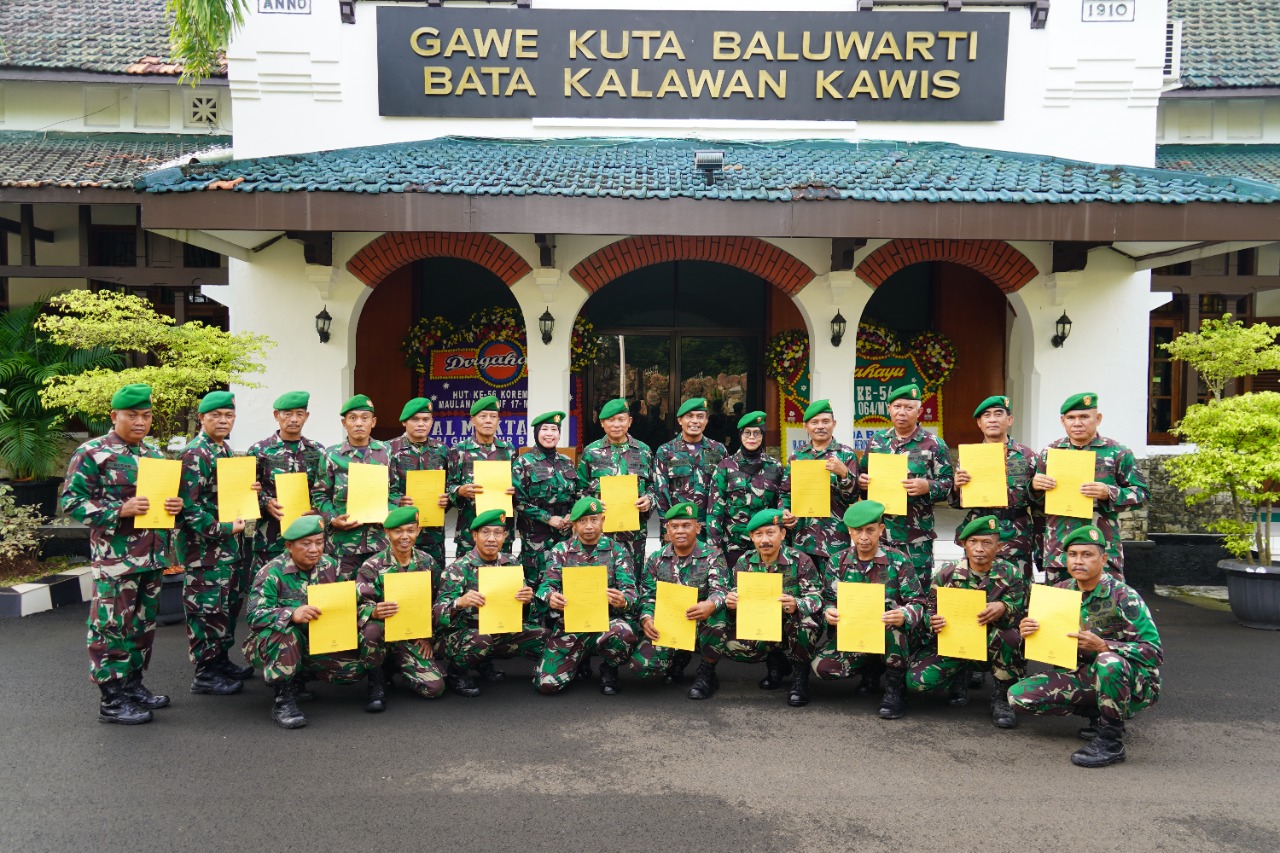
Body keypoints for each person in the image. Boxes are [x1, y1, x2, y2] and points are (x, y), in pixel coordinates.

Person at [60, 383, 183, 724]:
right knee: (111, 626)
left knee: (142, 626)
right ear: (114, 416)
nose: (140, 422)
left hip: (152, 557)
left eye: (146, 415)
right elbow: (72, 502)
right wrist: (119, 510)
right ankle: (112, 699)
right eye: (132, 415)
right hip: (116, 560)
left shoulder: (155, 456)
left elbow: (166, 506)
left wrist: (175, 507)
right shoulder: (92, 452)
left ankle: (132, 684)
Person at [1011, 525, 1162, 767]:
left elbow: (1153, 652)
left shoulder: (1124, 596)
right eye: (1073, 554)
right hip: (1084, 674)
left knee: (1108, 662)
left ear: (1103, 559)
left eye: (1087, 555)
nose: (1078, 561)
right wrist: (1028, 633)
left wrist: (1105, 646)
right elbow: (1047, 645)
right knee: (1019, 697)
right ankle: (1099, 713)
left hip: (1134, 682)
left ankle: (1111, 741)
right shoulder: (1059, 593)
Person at [243, 516, 382, 729]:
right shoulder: (271, 572)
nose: (314, 549)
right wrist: (291, 614)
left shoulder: (331, 565)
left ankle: (300, 676)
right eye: (306, 544)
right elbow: (254, 616)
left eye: (319, 542)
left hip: (317, 639)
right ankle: (283, 700)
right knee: (287, 635)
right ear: (289, 546)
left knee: (353, 671)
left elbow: (346, 602)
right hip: (270, 643)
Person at [906, 515, 1028, 728]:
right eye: (973, 542)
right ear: (964, 544)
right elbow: (929, 610)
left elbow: (1022, 617)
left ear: (999, 546)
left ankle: (1002, 696)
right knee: (917, 682)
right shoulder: (946, 574)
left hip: (990, 645)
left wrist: (1004, 607)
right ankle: (958, 675)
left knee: (1010, 637)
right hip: (954, 642)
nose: (979, 549)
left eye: (987, 543)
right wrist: (932, 621)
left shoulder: (1011, 574)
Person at [811, 501, 925, 720]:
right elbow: (827, 599)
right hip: (855, 633)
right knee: (822, 667)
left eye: (870, 530)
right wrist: (829, 612)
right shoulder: (837, 561)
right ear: (849, 531)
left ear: (881, 530)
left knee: (893, 628)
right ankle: (870, 667)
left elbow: (918, 602)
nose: (864, 537)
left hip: (890, 634)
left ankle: (895, 689)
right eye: (858, 530)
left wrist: (904, 615)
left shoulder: (898, 560)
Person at [179, 390, 257, 696]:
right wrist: (224, 529)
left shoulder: (223, 450)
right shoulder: (195, 454)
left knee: (226, 608)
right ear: (202, 418)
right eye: (216, 415)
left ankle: (220, 661)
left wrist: (248, 491)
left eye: (229, 415)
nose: (223, 421)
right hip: (205, 552)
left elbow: (224, 496)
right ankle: (205, 672)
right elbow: (189, 509)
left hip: (228, 550)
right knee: (206, 609)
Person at [704, 509, 823, 707]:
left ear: (782, 534)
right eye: (758, 534)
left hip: (790, 624)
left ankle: (800, 676)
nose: (765, 540)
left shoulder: (800, 560)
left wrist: (797, 604)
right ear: (751, 537)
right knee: (731, 646)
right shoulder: (745, 562)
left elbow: (816, 597)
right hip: (761, 624)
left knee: (806, 624)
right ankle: (777, 661)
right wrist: (732, 602)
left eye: (770, 533)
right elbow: (734, 591)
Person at [1032, 393, 1150, 583]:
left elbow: (1142, 495)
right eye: (1071, 418)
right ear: (1063, 421)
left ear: (1098, 419)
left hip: (1101, 548)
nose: (1077, 423)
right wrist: (1035, 488)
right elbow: (1038, 506)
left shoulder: (1118, 453)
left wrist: (1109, 493)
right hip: (1060, 550)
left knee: (1103, 599)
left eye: (1084, 417)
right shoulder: (1050, 453)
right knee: (1060, 600)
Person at [433, 510, 545, 697]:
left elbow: (525, 612)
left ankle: (484, 663)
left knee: (545, 637)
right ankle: (456, 673)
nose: (492, 538)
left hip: (500, 630)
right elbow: (436, 614)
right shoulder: (458, 569)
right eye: (485, 532)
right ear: (474, 535)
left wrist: (527, 601)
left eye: (497, 533)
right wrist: (459, 602)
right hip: (464, 636)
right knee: (481, 640)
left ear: (505, 536)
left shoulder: (511, 563)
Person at [534, 497, 638, 696]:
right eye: (582, 521)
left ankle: (609, 668)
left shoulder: (617, 551)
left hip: (606, 623)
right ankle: (578, 660)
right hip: (571, 624)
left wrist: (623, 600)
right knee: (546, 684)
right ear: (574, 524)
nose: (589, 526)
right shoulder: (561, 551)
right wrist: (551, 597)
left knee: (624, 633)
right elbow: (546, 585)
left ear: (603, 520)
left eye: (594, 520)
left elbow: (631, 592)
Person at [859, 383, 953, 590]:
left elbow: (948, 484)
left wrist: (927, 486)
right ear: (889, 409)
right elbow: (862, 475)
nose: (902, 412)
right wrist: (862, 482)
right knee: (879, 589)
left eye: (909, 408)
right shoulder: (876, 442)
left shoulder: (934, 444)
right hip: (879, 534)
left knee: (916, 589)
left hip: (916, 537)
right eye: (897, 406)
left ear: (919, 412)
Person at [630, 502, 729, 697]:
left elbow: (720, 590)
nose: (680, 531)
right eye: (674, 526)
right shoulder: (656, 558)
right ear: (667, 529)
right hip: (670, 625)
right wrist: (646, 618)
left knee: (718, 618)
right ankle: (678, 658)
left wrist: (710, 604)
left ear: (697, 528)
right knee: (640, 666)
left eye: (686, 525)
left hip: (700, 621)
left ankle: (707, 672)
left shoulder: (713, 555)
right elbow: (648, 596)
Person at [356, 506, 445, 707]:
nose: (405, 536)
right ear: (387, 532)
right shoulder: (372, 566)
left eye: (410, 530)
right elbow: (357, 606)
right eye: (398, 531)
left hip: (412, 636)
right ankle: (376, 680)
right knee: (371, 630)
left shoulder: (427, 563)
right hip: (383, 634)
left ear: (418, 531)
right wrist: (373, 611)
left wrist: (427, 636)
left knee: (434, 688)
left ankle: (401, 666)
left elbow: (438, 602)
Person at [948, 395, 1039, 578]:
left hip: (1016, 535)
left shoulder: (1027, 456)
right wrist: (957, 487)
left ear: (1010, 419)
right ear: (979, 423)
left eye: (998, 414)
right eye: (987, 415)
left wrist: (1036, 490)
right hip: (979, 535)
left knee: (1017, 587)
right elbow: (956, 502)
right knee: (977, 585)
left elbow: (1039, 502)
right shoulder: (970, 456)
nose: (992, 419)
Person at [312, 394, 395, 579]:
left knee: (379, 591)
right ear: (344, 423)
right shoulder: (331, 455)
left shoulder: (387, 452)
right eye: (352, 418)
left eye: (364, 418)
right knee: (345, 591)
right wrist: (333, 519)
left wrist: (389, 511)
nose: (359, 423)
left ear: (373, 422)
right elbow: (319, 494)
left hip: (379, 541)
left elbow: (396, 490)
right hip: (343, 544)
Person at [780, 399, 861, 576]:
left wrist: (844, 474)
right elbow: (785, 492)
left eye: (825, 421)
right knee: (804, 584)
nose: (820, 426)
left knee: (834, 586)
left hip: (834, 538)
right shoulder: (797, 456)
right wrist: (784, 511)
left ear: (834, 424)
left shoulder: (846, 455)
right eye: (814, 422)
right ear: (805, 426)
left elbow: (853, 497)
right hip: (802, 537)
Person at [248, 391, 324, 577]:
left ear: (306, 416)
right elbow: (247, 489)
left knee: (304, 584)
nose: (294, 419)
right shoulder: (260, 450)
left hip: (307, 537)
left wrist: (316, 509)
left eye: (299, 414)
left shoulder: (317, 451)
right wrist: (265, 501)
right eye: (287, 414)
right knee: (267, 582)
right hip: (270, 536)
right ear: (276, 415)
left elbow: (323, 489)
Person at [577, 398, 655, 569]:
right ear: (602, 423)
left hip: (634, 533)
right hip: (599, 533)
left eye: (621, 419)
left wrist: (649, 500)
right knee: (600, 578)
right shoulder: (591, 452)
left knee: (633, 577)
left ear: (630, 421)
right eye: (611, 420)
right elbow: (579, 489)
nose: (616, 425)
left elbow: (654, 485)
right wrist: (592, 503)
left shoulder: (644, 451)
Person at [512, 410, 578, 603]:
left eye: (554, 429)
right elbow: (518, 501)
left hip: (564, 534)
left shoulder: (567, 462)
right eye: (545, 429)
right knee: (536, 580)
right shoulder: (523, 462)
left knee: (563, 577)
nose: (549, 434)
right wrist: (548, 518)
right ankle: (536, 620)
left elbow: (577, 494)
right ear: (536, 433)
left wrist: (572, 515)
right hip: (536, 536)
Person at [706, 410, 785, 569]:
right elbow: (715, 509)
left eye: (757, 433)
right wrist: (713, 546)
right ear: (740, 435)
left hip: (766, 543)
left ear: (762, 436)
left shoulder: (775, 467)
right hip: (733, 544)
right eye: (747, 432)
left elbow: (781, 503)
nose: (751, 437)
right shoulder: (725, 467)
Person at [447, 395, 517, 556]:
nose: (488, 421)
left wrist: (514, 491)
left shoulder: (508, 450)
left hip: (500, 530)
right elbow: (448, 486)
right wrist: (459, 491)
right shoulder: (459, 450)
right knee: (468, 570)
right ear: (473, 420)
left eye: (493, 417)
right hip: (469, 529)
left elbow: (518, 486)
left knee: (501, 569)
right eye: (483, 416)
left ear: (498, 421)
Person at [389, 397, 450, 575]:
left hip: (433, 533)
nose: (421, 424)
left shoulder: (442, 450)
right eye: (415, 419)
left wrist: (448, 499)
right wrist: (398, 501)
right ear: (404, 422)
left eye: (426, 419)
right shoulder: (389, 450)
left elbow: (451, 485)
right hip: (400, 531)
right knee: (399, 577)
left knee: (433, 578)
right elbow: (381, 489)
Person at [653, 397, 728, 538]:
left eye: (700, 417)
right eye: (689, 416)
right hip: (678, 528)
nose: (695, 421)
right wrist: (666, 527)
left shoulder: (718, 450)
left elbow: (725, 490)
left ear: (706, 420)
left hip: (710, 527)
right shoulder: (666, 451)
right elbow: (661, 492)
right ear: (680, 420)